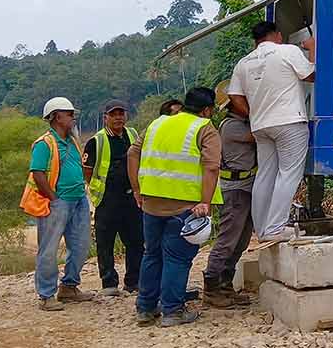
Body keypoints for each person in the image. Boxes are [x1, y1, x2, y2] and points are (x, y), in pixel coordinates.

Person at [128, 87, 222, 327]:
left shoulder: (157, 124)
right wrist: (205, 201)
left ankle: (146, 308)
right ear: (207, 110)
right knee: (177, 258)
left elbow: (132, 153)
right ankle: (172, 311)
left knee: (152, 254)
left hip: (151, 203)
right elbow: (211, 167)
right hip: (184, 206)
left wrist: (137, 189)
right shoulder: (204, 128)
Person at [228, 21, 315, 244]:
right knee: (288, 174)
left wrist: (253, 113)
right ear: (277, 35)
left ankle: (263, 229)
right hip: (289, 122)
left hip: (260, 126)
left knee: (266, 174)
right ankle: (275, 228)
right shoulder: (287, 51)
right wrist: (313, 48)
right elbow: (312, 75)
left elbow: (234, 96)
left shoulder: (243, 63)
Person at [21, 96, 94, 310]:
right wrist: (53, 198)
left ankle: (69, 287)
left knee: (81, 246)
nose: (73, 118)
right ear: (56, 117)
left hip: (79, 199)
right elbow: (37, 173)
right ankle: (46, 295)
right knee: (49, 249)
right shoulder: (45, 143)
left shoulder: (72, 140)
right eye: (69, 114)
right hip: (58, 202)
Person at [202, 94, 258, 307]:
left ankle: (225, 285)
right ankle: (212, 287)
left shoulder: (240, 123)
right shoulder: (231, 126)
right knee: (227, 240)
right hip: (235, 190)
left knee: (241, 240)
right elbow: (259, 135)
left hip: (245, 187)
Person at [82, 99, 143, 296]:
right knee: (105, 242)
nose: (118, 117)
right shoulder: (96, 141)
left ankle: (133, 282)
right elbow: (88, 171)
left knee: (135, 241)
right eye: (113, 114)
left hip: (131, 197)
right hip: (107, 199)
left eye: (121, 113)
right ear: (105, 117)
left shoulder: (133, 135)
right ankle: (109, 283)